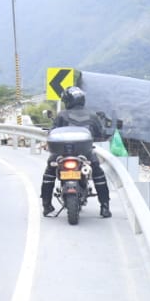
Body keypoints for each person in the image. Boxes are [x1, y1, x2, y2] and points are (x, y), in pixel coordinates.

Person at [39, 86, 112, 218]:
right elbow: (100, 134)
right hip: (85, 153)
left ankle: (46, 205)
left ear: (67, 100)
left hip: (62, 153)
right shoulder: (92, 115)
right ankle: (105, 207)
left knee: (49, 173)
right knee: (98, 173)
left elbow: (52, 132)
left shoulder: (62, 115)